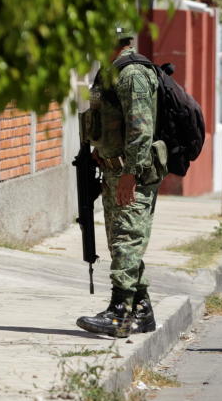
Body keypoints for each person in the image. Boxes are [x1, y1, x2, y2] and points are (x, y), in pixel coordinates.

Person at [76, 26, 168, 338]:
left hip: (133, 174)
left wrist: (130, 173)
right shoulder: (108, 73)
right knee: (120, 241)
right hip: (113, 171)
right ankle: (142, 310)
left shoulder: (132, 75)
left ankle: (120, 313)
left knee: (126, 241)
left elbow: (141, 129)